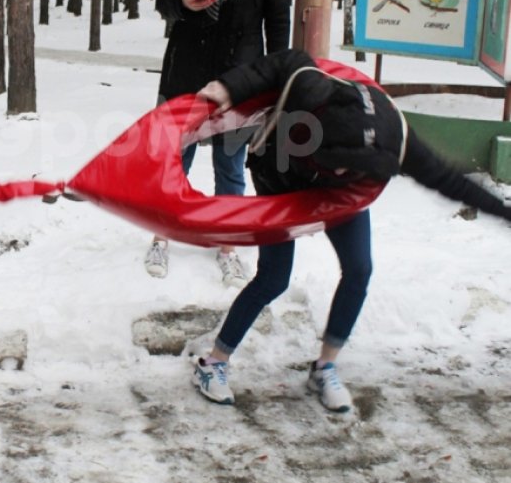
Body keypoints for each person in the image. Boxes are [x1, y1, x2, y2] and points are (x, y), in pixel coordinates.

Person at [191, 49, 511, 412]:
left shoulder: (395, 140)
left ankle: (324, 367)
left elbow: (451, 181)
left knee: (359, 268)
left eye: (351, 169)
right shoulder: (310, 93)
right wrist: (228, 88)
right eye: (339, 166)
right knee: (274, 278)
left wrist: (503, 212)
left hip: (341, 198)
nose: (343, 172)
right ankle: (213, 362)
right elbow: (288, 60)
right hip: (280, 176)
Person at [145, 0, 291, 285]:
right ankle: (161, 235)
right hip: (187, 70)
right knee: (174, 160)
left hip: (241, 75)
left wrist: (277, 72)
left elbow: (277, 15)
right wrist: (183, 2)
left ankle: (228, 244)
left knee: (230, 163)